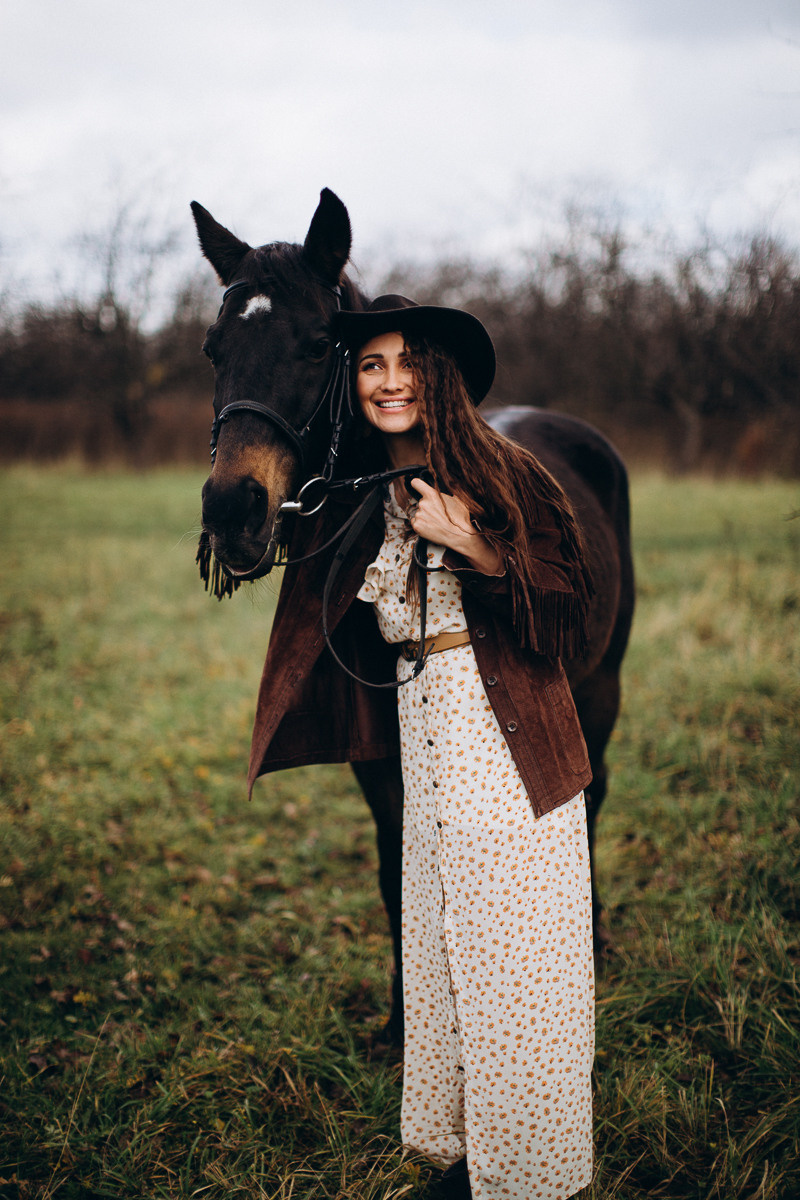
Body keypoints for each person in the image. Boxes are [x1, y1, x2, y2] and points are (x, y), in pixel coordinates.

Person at [248, 296, 595, 1200]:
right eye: (370, 364)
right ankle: (468, 1147)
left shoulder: (503, 470)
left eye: (407, 362)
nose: (390, 380)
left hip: (502, 741)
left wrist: (472, 543)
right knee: (444, 946)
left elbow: (568, 609)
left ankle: (527, 1171)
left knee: (515, 958)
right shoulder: (376, 489)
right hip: (429, 744)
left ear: (438, 374)